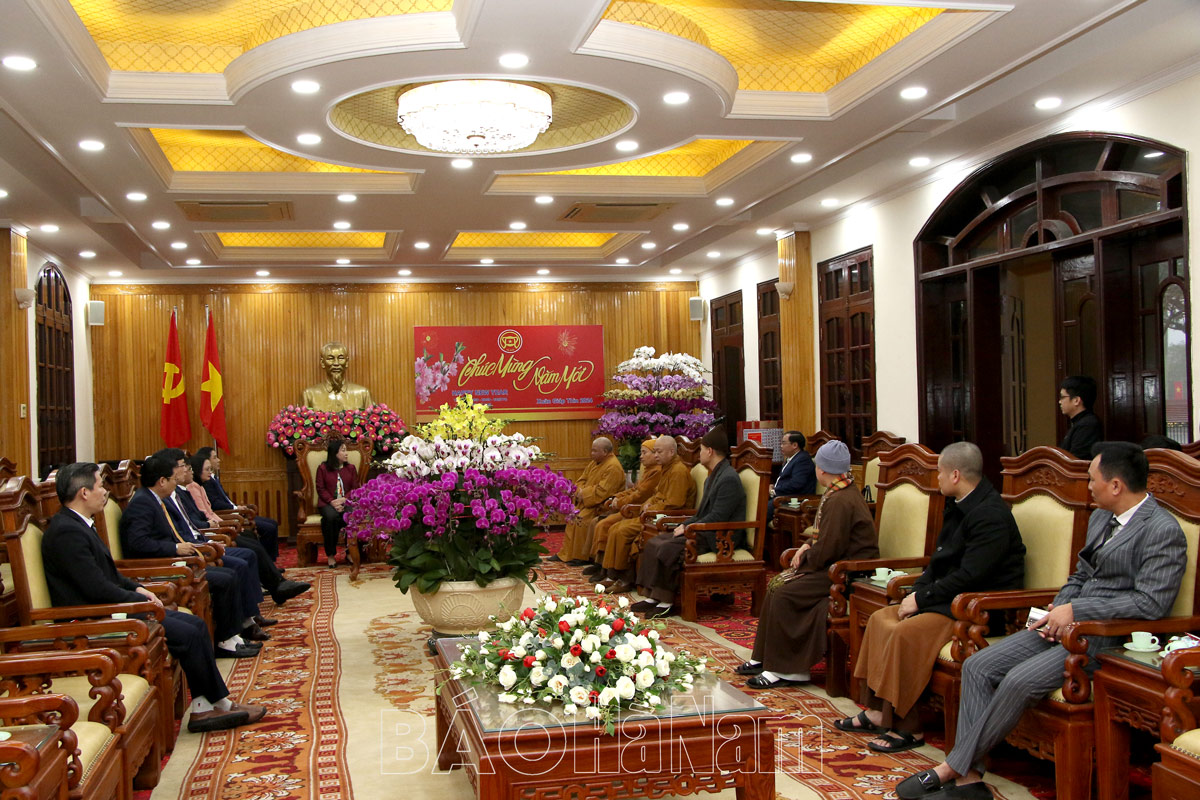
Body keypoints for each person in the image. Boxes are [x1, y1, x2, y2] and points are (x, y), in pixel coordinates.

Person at [893, 442, 1186, 800]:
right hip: (1063, 625)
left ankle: (952, 767)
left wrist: (1077, 613)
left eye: (1092, 479)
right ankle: (970, 780)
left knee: (1017, 680)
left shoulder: (1162, 530)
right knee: (978, 666)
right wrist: (1057, 611)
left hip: (1106, 638)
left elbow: (1151, 603)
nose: (1088, 486)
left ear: (1115, 486)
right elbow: (1080, 575)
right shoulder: (1099, 517)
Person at [43, 462, 266, 733]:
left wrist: (138, 589)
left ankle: (211, 704)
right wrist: (138, 599)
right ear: (84, 493)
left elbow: (109, 574)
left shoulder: (79, 524)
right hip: (93, 618)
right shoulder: (67, 532)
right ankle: (210, 707)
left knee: (194, 625)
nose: (105, 492)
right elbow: (96, 589)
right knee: (187, 632)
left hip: (111, 605)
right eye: (100, 486)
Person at [836, 441, 1026, 754]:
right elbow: (938, 561)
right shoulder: (959, 503)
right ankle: (878, 712)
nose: (935, 479)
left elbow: (972, 576)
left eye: (938, 473)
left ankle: (909, 727)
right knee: (882, 620)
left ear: (955, 475)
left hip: (977, 610)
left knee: (905, 633)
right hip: (950, 598)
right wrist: (916, 593)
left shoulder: (990, 515)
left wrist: (922, 600)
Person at [740, 440, 878, 689]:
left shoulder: (841, 499)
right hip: (834, 564)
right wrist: (806, 547)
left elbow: (829, 548)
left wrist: (804, 562)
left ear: (822, 469)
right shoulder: (839, 490)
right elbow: (824, 540)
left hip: (848, 572)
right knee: (778, 584)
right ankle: (764, 658)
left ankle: (789, 671)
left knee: (784, 590)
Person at [120, 454, 265, 658]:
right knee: (225, 578)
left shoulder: (153, 499)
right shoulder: (142, 503)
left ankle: (232, 636)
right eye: (172, 480)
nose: (174, 484)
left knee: (229, 574)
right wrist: (175, 548)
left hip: (174, 560)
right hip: (158, 568)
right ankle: (224, 640)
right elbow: (138, 543)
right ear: (162, 481)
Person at [632, 428, 743, 617]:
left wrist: (688, 527)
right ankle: (653, 596)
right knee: (654, 543)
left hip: (722, 536)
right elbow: (702, 513)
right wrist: (686, 524)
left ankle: (666, 600)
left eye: (700, 449)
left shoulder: (728, 478)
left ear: (710, 451)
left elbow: (717, 517)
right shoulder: (714, 475)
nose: (698, 454)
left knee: (667, 548)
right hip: (705, 528)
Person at [186, 452, 310, 606]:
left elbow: (209, 514)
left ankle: (276, 581)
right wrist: (225, 526)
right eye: (206, 469)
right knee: (252, 549)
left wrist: (226, 525)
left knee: (252, 537)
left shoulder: (199, 486)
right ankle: (276, 586)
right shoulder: (191, 488)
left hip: (220, 528)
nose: (210, 473)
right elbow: (204, 517)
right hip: (212, 535)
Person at [592, 435, 696, 594]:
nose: (656, 456)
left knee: (622, 530)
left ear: (671, 452)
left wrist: (651, 506)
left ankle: (625, 578)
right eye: (654, 452)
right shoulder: (667, 468)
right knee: (616, 528)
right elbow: (657, 494)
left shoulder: (678, 471)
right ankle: (613, 574)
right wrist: (649, 503)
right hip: (655, 512)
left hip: (667, 517)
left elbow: (674, 503)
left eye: (659, 452)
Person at [584, 440, 662, 579]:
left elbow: (640, 495)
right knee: (600, 523)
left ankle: (612, 571)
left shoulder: (658, 472)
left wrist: (619, 502)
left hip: (638, 511)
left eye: (645, 453)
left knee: (607, 525)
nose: (641, 456)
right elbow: (634, 490)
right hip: (635, 509)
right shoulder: (649, 470)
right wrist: (616, 497)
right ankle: (600, 565)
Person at [196, 446, 280, 561]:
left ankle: (271, 563)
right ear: (206, 461)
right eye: (215, 457)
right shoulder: (205, 483)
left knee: (272, 524)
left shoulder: (213, 478)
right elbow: (215, 505)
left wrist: (236, 508)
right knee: (267, 529)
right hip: (227, 516)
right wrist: (235, 509)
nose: (219, 460)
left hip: (233, 514)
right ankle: (269, 563)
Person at [551, 437, 626, 565]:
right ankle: (567, 554)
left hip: (601, 505)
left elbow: (603, 491)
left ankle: (582, 556)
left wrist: (583, 493)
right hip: (588, 502)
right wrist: (580, 491)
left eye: (594, 451)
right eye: (592, 450)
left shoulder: (613, 467)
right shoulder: (595, 462)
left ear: (605, 451)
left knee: (581, 519)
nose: (591, 454)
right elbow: (581, 480)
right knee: (572, 517)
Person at [317, 439, 359, 569]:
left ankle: (349, 552)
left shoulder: (350, 468)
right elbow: (320, 488)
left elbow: (355, 488)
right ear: (335, 453)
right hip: (327, 503)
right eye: (343, 450)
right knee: (330, 518)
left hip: (346, 501)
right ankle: (330, 555)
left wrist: (344, 500)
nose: (346, 453)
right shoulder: (323, 468)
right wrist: (332, 502)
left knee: (351, 515)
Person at [302, 341, 374, 411]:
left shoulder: (363, 394)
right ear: (322, 362)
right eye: (330, 358)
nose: (336, 363)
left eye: (341, 358)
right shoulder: (309, 395)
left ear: (347, 362)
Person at [1058, 376, 1103, 460]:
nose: (1059, 402)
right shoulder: (1079, 422)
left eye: (1062, 397)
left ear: (1076, 400)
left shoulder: (1088, 425)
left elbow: (1076, 461)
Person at [773, 430, 817, 497]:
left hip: (793, 499)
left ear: (795, 445)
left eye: (784, 443)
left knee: (763, 506)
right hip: (781, 496)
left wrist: (774, 491)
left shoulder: (803, 460)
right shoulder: (791, 458)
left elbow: (796, 484)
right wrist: (774, 487)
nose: (781, 446)